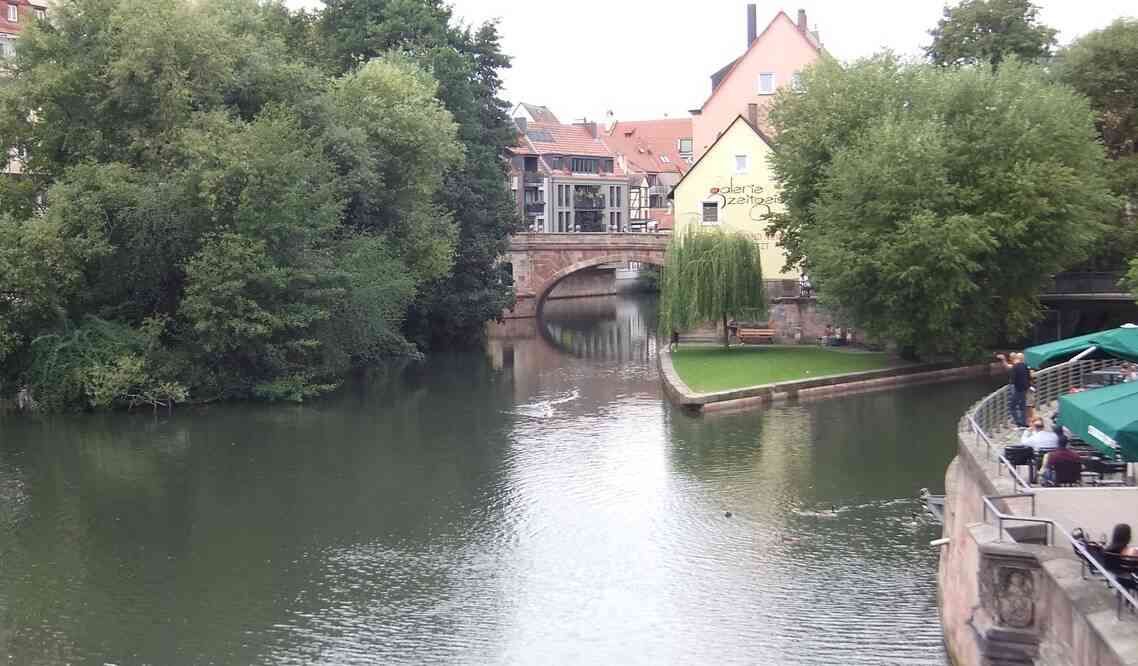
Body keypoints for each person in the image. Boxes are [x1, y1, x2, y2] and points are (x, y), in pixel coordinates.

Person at [997, 352, 1031, 427]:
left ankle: (1018, 422)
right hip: (1024, 389)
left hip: (1018, 389)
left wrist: (1003, 359)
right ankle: (1024, 422)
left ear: (1013, 359)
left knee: (1012, 407)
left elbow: (1013, 380)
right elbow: (1029, 377)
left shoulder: (1015, 367)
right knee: (1022, 406)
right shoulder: (1024, 365)